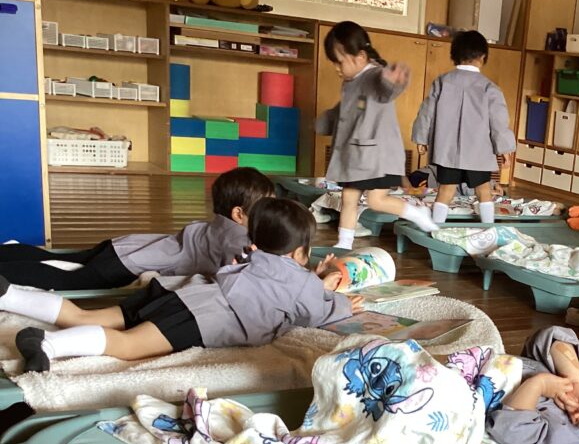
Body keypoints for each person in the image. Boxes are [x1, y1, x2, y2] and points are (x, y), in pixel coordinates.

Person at [2, 198, 364, 371]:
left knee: (87, 316)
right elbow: (316, 311)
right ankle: (47, 344)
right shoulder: (303, 284)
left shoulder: (250, 254)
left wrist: (312, 279)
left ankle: (10, 295)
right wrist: (339, 299)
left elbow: (272, 279)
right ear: (301, 251)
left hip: (179, 292)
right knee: (129, 345)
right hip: (201, 318)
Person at [0, 167, 274, 291]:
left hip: (127, 245)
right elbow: (247, 270)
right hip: (127, 265)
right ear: (239, 214)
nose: (271, 216)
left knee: (63, 258)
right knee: (66, 280)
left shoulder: (219, 225)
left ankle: (7, 253)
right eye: (267, 208)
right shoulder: (238, 237)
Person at [316, 20, 439, 249]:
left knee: (376, 200)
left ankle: (417, 212)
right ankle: (344, 243)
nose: (336, 68)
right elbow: (345, 111)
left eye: (339, 61)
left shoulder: (373, 75)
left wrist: (393, 81)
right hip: (358, 156)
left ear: (360, 57)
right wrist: (326, 121)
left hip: (379, 158)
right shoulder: (351, 83)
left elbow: (386, 88)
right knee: (348, 198)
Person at [411, 29, 516, 226]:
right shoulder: (489, 88)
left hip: (447, 151)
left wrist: (421, 137)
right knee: (483, 191)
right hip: (478, 153)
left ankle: (435, 228)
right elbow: (498, 121)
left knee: (445, 191)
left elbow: (426, 111)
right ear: (483, 57)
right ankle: (488, 228)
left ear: (454, 55)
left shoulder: (442, 82)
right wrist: (504, 149)